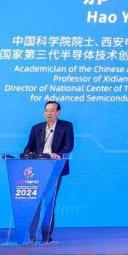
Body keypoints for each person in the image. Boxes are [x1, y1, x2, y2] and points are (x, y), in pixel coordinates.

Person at [21, 100, 73, 241]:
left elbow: (69, 145)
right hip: (37, 169)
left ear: (58, 112)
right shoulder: (36, 128)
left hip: (55, 167)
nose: (48, 113)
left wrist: (59, 154)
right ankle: (31, 236)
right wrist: (27, 154)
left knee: (49, 202)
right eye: (46, 110)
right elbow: (29, 147)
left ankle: (46, 235)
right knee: (35, 202)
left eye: (52, 110)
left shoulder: (66, 126)